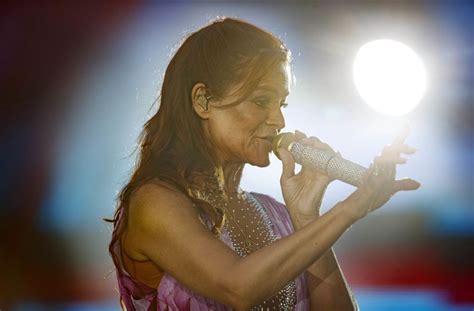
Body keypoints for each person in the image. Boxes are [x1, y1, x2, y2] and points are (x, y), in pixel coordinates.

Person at [107, 17, 420, 310]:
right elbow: (237, 286)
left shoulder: (272, 211)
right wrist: (350, 209)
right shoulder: (154, 203)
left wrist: (306, 217)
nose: (279, 120)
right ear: (202, 101)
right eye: (261, 101)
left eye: (282, 104)